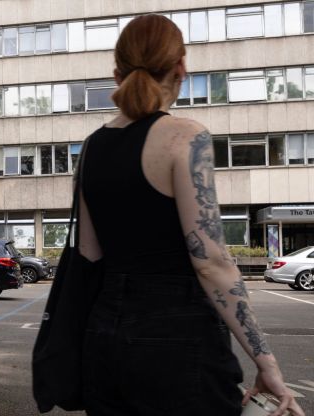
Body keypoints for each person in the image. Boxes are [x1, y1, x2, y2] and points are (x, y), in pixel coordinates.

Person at [76, 14, 304, 416]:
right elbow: (212, 263)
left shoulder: (92, 147)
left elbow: (90, 253)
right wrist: (266, 362)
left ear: (117, 73)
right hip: (177, 337)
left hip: (104, 335)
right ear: (181, 66)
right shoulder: (186, 136)